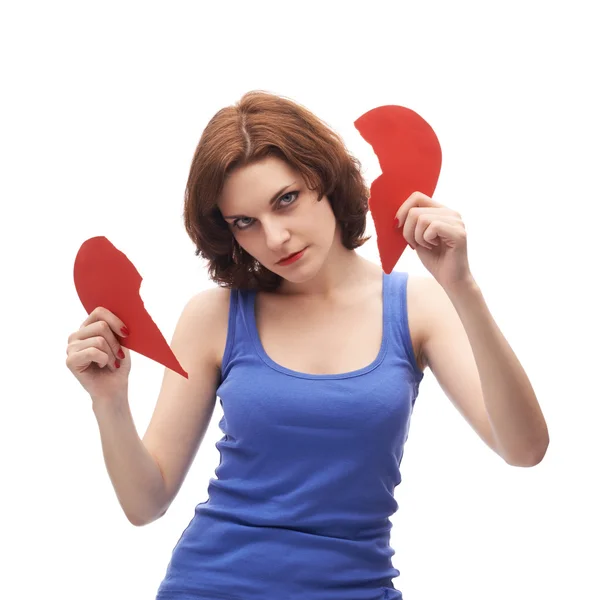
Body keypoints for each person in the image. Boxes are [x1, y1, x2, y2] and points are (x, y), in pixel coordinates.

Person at [65, 91, 549, 600]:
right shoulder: (214, 316)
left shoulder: (416, 307)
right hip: (210, 585)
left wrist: (463, 288)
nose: (274, 238)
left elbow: (524, 449)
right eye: (245, 222)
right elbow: (146, 504)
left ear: (325, 179)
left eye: (286, 199)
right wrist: (109, 401)